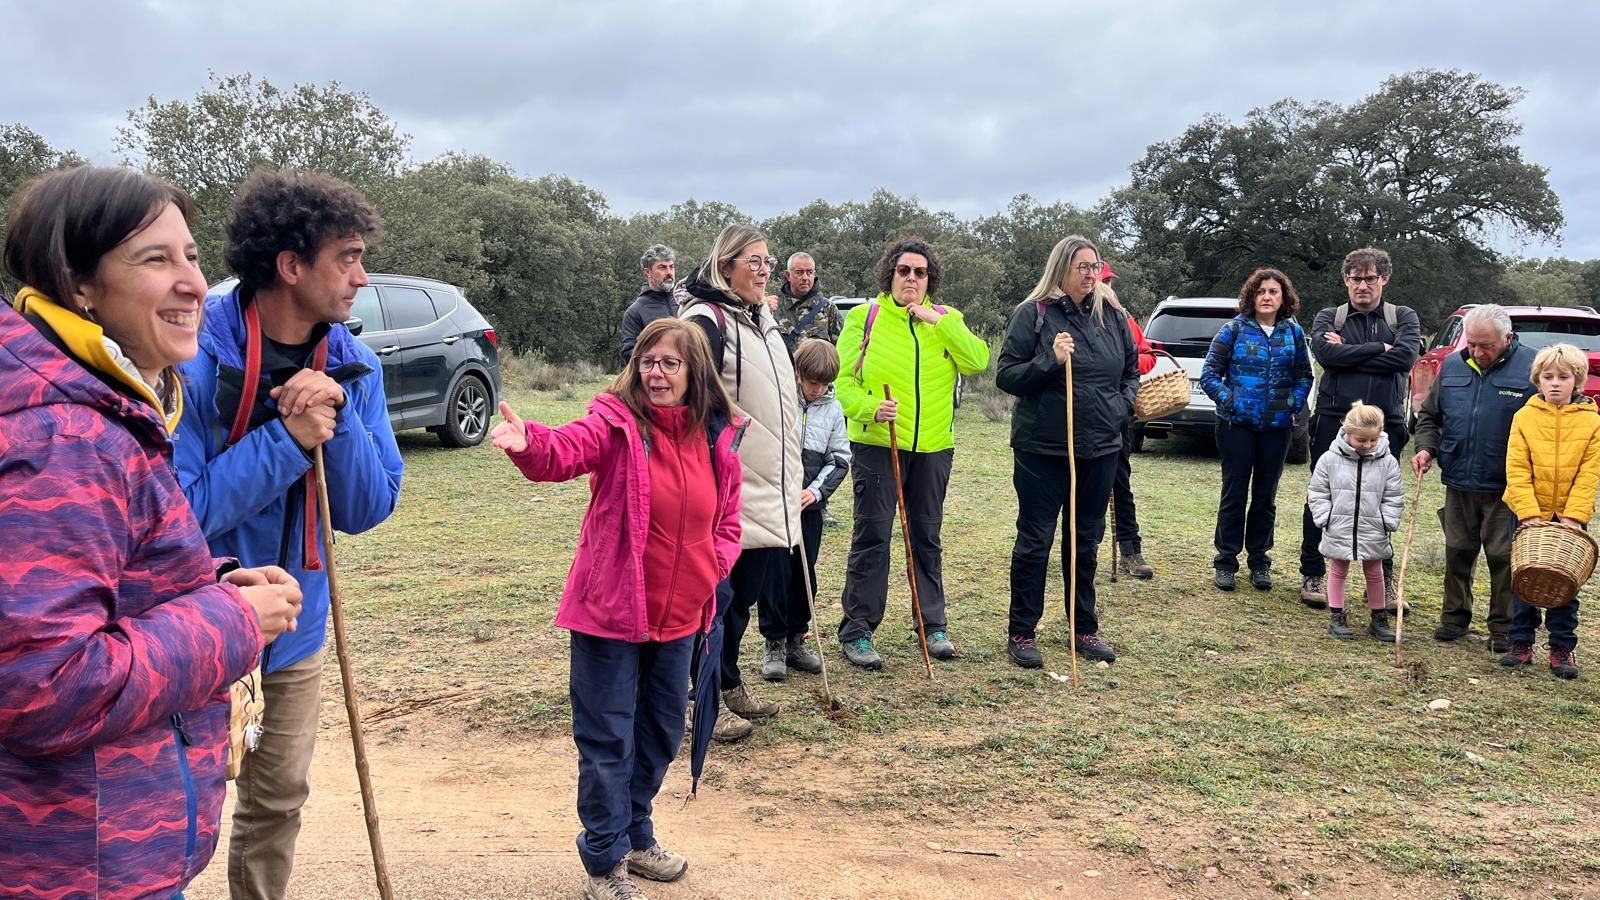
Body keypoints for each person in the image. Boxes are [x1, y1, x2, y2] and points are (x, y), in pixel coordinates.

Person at [0, 166, 301, 899]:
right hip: (74, 860)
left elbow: (97, 580)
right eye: (155, 259)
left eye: (191, 256)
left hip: (86, 843)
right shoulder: (64, 431)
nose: (194, 283)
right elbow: (46, 682)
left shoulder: (98, 402)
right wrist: (231, 620)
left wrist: (212, 580)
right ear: (80, 286)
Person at [176, 170, 404, 900]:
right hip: (198, 620)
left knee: (278, 801)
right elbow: (183, 512)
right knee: (177, 807)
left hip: (298, 626)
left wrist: (332, 416)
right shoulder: (192, 361)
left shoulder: (352, 362)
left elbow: (368, 507)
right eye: (348, 256)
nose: (362, 277)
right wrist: (289, 436)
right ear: (291, 265)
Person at [493, 317, 743, 899]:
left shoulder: (716, 436)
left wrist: (714, 566)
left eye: (670, 363)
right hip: (610, 613)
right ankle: (606, 862)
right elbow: (565, 449)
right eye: (648, 361)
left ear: (694, 372)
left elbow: (728, 520)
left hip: (682, 616)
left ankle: (634, 831)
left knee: (659, 735)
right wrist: (529, 442)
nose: (656, 373)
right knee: (608, 740)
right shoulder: (616, 422)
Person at [835, 236, 990, 669]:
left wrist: (937, 321)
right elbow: (842, 383)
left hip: (934, 447)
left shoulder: (946, 320)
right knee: (873, 537)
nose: (911, 278)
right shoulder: (865, 319)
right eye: (904, 271)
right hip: (878, 444)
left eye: (920, 273)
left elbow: (978, 360)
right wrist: (870, 407)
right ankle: (858, 630)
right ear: (891, 274)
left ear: (929, 279)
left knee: (927, 536)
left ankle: (932, 625)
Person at [679, 224, 799, 734]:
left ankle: (727, 683)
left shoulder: (761, 319)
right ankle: (695, 700)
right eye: (753, 260)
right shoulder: (704, 322)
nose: (764, 269)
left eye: (767, 261)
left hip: (766, 485)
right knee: (712, 600)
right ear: (725, 266)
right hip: (725, 485)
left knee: (742, 596)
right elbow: (686, 403)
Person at [996, 236, 1135, 669]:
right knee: (1036, 540)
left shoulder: (1112, 315)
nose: (1091, 275)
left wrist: (1120, 407)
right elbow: (1006, 375)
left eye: (1095, 267)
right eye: (1082, 267)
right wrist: (1050, 361)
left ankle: (1084, 627)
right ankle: (1022, 631)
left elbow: (1131, 369)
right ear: (1062, 269)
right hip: (1043, 449)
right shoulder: (1034, 314)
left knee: (1085, 540)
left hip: (1100, 448)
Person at [1299, 247, 1422, 609]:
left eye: (1370, 278)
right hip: (1333, 421)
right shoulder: (1329, 317)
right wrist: (1378, 348)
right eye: (1356, 278)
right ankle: (1313, 573)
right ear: (1346, 280)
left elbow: (1404, 358)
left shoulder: (1403, 317)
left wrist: (1353, 351)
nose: (1362, 285)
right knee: (1321, 495)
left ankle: (1381, 582)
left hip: (1387, 424)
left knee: (1379, 499)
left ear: (1384, 279)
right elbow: (1327, 357)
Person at [1411, 305, 1537, 653]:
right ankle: (1453, 618)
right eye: (1473, 344)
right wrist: (1426, 449)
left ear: (1508, 338)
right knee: (1457, 551)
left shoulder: (1532, 367)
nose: (1478, 352)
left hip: (1507, 485)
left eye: (1487, 346)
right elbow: (1429, 417)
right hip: (1458, 477)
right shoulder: (1452, 365)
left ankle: (1503, 627)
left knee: (1503, 556)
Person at [1201, 268, 1314, 592]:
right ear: (1251, 296)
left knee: (1265, 496)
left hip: (1276, 428)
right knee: (1234, 493)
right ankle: (1226, 561)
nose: (1267, 296)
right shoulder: (1233, 330)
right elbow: (1210, 374)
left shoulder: (1292, 333)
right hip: (1236, 426)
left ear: (1283, 298)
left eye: (1273, 292)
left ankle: (1259, 561)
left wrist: (1291, 404)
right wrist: (1230, 400)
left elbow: (1304, 376)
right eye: (1261, 291)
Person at [1499, 344, 1600, 679]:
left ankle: (1562, 645)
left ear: (1578, 380)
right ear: (1537, 380)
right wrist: (1528, 512)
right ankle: (1520, 640)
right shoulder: (1524, 417)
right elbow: (1516, 467)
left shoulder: (1592, 421)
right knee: (1524, 577)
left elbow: (1590, 472)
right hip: (1530, 515)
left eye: (1564, 377)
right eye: (1548, 376)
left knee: (1565, 582)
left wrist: (1574, 515)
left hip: (1569, 517)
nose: (1555, 383)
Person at [773, 338, 850, 681]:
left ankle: (796, 639)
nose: (817, 389)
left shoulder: (834, 410)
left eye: (824, 383)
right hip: (775, 503)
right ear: (798, 373)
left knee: (804, 572)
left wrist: (815, 493)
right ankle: (773, 642)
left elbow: (840, 460)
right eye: (811, 382)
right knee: (774, 572)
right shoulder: (780, 398)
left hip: (808, 507)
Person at [1306, 402, 1406, 640]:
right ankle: (1337, 616)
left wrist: (1387, 521)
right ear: (1347, 433)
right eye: (1361, 440)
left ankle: (1378, 617)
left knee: (1375, 571)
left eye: (1372, 440)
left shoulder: (1387, 462)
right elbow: (1317, 491)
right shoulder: (1329, 460)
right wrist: (1325, 517)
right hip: (1338, 525)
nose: (1367, 445)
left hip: (1373, 527)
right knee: (1338, 569)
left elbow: (1394, 494)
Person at [1101, 272, 1158, 579]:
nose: (1106, 287)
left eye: (1109, 282)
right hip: (1076, 417)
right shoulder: (1063, 316)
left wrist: (1124, 359)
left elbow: (1147, 358)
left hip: (1117, 417)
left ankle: (1130, 550)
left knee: (1119, 483)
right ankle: (1083, 547)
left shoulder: (1124, 319)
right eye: (1102, 281)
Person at [773, 251, 843, 352]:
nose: (805, 277)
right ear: (788, 275)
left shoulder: (828, 308)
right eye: (799, 272)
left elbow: (840, 350)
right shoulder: (775, 308)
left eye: (809, 272)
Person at [620, 244, 678, 362]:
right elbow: (629, 353)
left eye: (671, 267)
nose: (669, 272)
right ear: (647, 272)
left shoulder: (685, 302)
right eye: (662, 267)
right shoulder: (635, 312)